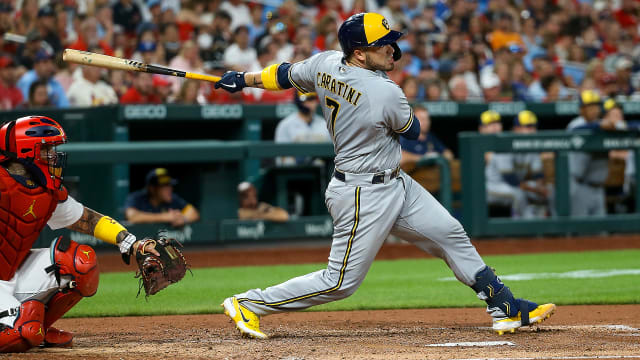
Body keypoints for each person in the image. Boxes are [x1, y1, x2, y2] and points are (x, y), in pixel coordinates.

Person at [214, 12, 555, 339]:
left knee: (449, 233)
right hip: (363, 193)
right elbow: (414, 129)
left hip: (395, 181)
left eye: (390, 41)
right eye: (382, 45)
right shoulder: (383, 91)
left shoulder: (325, 62)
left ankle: (503, 304)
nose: (391, 48)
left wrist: (244, 79)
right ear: (359, 54)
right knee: (339, 283)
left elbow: (284, 73)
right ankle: (248, 303)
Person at [0, 116, 158, 352]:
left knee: (80, 263)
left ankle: (34, 326)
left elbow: (88, 220)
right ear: (26, 150)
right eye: (47, 149)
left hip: (11, 275)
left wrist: (131, 242)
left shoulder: (46, 191)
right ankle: (26, 326)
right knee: (20, 334)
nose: (54, 155)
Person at [485, 111, 553, 218]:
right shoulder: (505, 144)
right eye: (528, 127)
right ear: (516, 129)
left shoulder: (532, 146)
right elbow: (511, 179)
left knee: (550, 190)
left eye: (534, 127)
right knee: (518, 194)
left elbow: (537, 175)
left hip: (516, 185)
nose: (532, 130)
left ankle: (545, 223)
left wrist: (541, 188)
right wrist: (536, 189)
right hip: (493, 187)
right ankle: (521, 227)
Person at [566, 90, 608, 216]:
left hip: (599, 187)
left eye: (596, 105)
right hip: (579, 185)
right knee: (580, 231)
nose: (594, 109)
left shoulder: (602, 124)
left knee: (601, 232)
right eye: (589, 106)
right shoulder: (576, 124)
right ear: (581, 110)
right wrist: (600, 127)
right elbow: (576, 131)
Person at [124, 168, 200, 228]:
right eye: (165, 186)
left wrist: (183, 219)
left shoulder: (173, 198)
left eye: (170, 185)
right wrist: (166, 217)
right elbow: (132, 217)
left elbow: (193, 213)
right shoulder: (137, 197)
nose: (170, 189)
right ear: (152, 188)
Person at [275, 92, 331, 166]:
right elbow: (281, 157)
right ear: (298, 103)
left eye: (311, 99)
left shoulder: (325, 124)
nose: (309, 104)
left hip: (320, 171)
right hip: (294, 171)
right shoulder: (286, 124)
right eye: (305, 100)